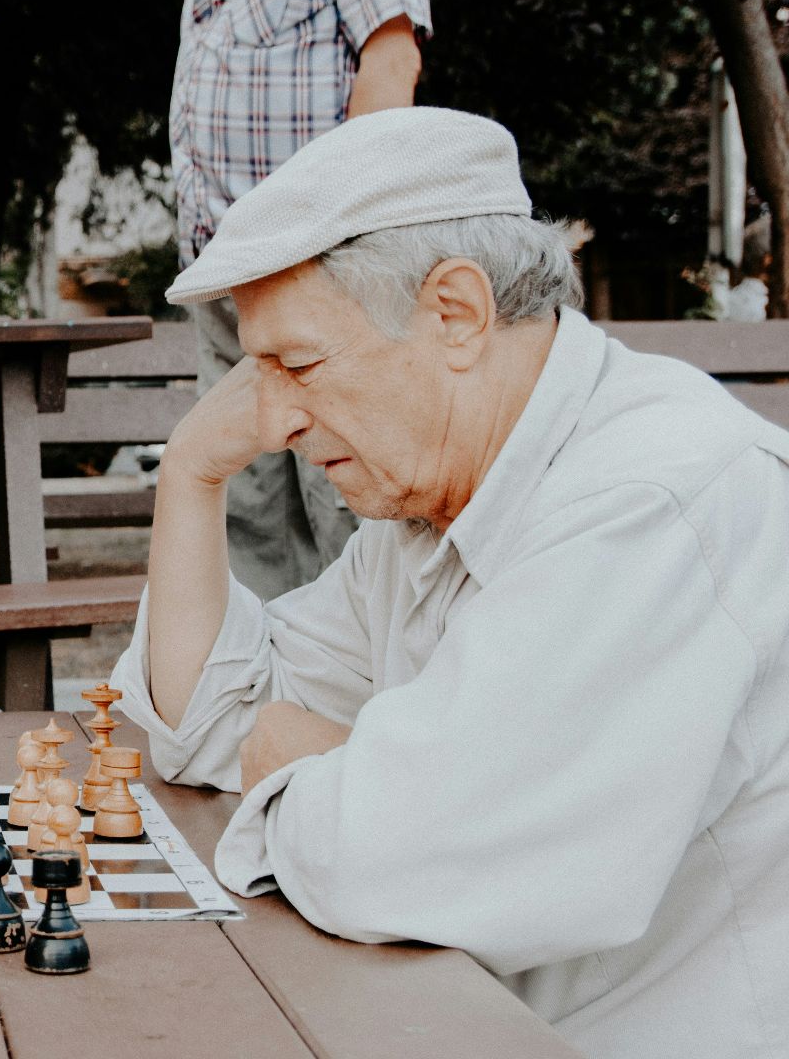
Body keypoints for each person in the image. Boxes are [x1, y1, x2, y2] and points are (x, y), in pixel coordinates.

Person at [110, 108, 789, 1058]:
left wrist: (321, 769)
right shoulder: (431, 499)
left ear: (456, 314)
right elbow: (208, 728)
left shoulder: (648, 500)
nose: (274, 419)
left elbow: (395, 863)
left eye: (297, 364)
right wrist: (189, 476)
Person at [172, 0, 430, 600]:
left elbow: (393, 60)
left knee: (344, 488)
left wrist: (343, 230)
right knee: (244, 494)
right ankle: (261, 680)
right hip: (223, 269)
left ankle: (365, 680)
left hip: (317, 260)